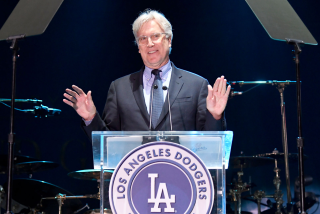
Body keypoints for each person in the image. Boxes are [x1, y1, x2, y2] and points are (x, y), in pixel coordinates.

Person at [63, 10, 231, 138]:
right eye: (143, 39)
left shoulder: (196, 85)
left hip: (182, 177)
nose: (149, 43)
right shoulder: (120, 88)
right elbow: (108, 143)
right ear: (138, 46)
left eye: (155, 36)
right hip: (136, 179)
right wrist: (91, 118)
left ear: (169, 39)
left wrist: (215, 116)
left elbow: (210, 141)